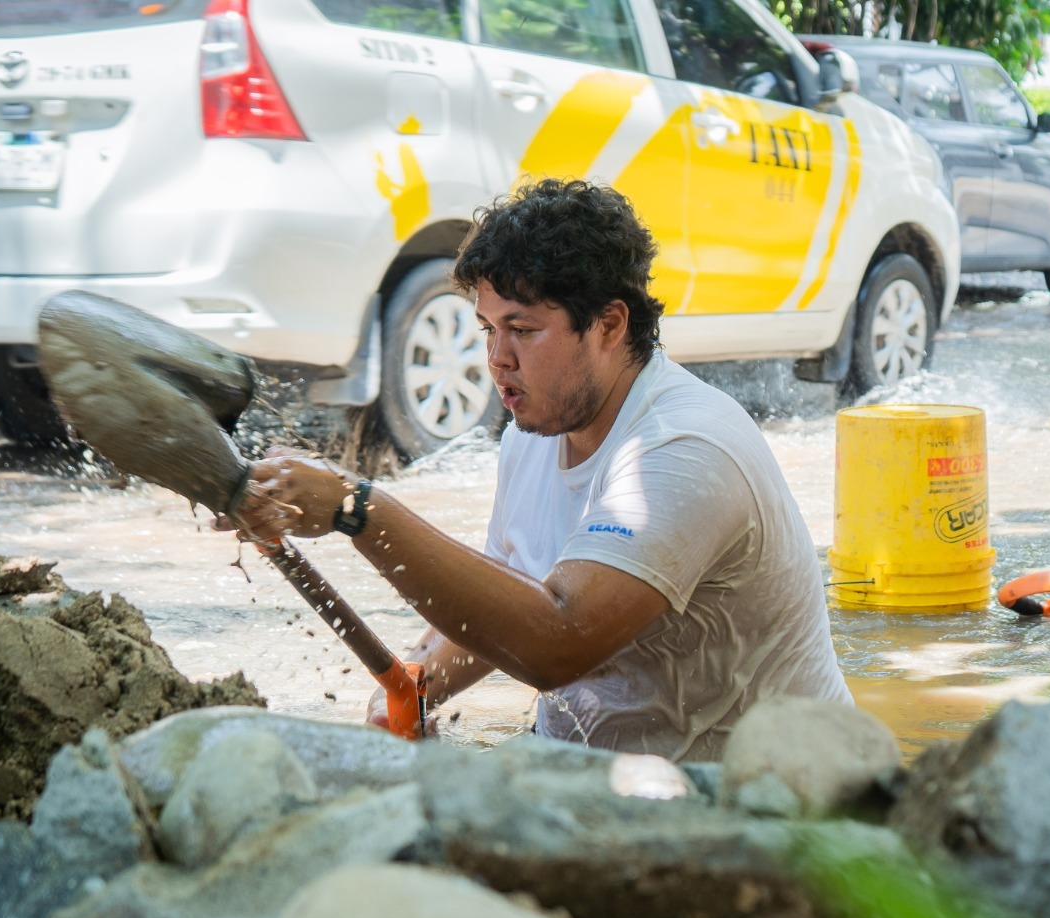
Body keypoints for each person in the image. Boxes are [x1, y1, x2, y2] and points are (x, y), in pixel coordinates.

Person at [223, 178, 850, 761]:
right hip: (597, 777)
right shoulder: (534, 430)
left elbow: (556, 642)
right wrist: (414, 685)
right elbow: (506, 600)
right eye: (488, 329)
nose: (497, 358)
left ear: (609, 324)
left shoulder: (683, 449)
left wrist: (358, 511)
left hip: (759, 795)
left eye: (522, 329)